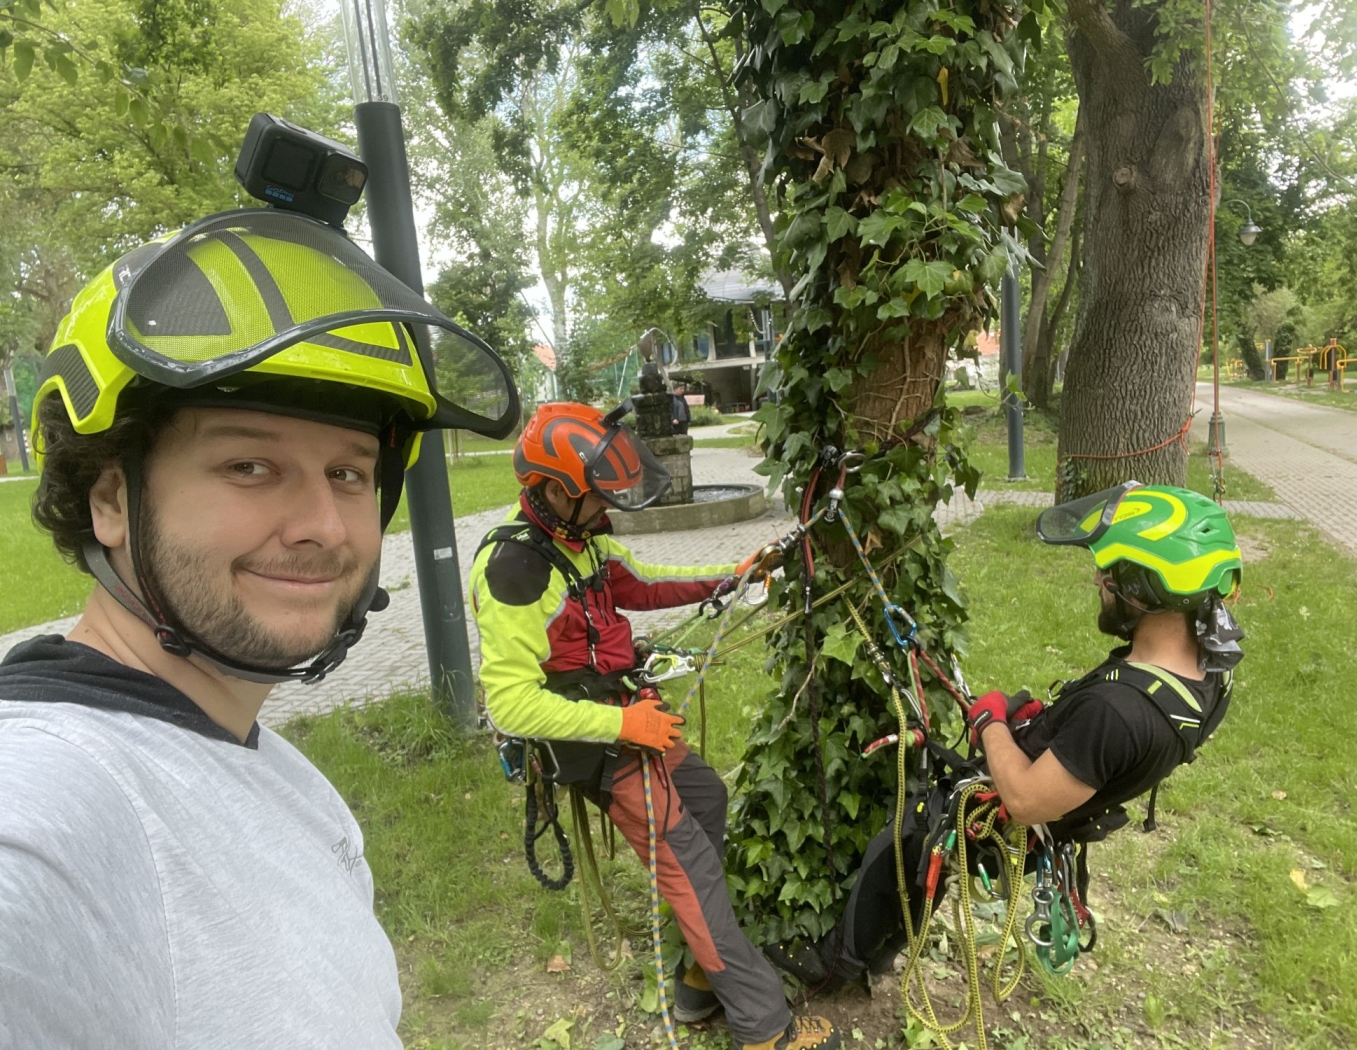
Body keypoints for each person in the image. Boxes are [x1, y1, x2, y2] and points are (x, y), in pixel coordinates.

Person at [0, 208, 519, 1046]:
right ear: (110, 500)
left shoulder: (274, 773)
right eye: (249, 465)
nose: (323, 526)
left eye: (348, 472)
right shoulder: (47, 812)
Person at [468, 401, 841, 1050]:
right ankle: (765, 1030)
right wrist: (625, 725)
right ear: (555, 491)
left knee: (708, 797)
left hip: (629, 723)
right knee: (690, 870)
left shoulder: (580, 540)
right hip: (598, 747)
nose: (607, 510)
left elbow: (645, 582)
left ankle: (700, 979)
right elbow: (512, 706)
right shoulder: (515, 572)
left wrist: (732, 577)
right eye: (597, 497)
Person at [769, 482, 1244, 986]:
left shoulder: (1117, 713)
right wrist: (1055, 728)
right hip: (1069, 779)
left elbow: (1024, 801)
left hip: (1008, 816)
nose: (1098, 581)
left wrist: (990, 723)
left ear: (1142, 588)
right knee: (915, 867)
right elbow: (1105, 743)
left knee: (901, 848)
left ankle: (836, 964)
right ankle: (882, 953)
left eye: (1109, 574)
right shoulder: (1211, 667)